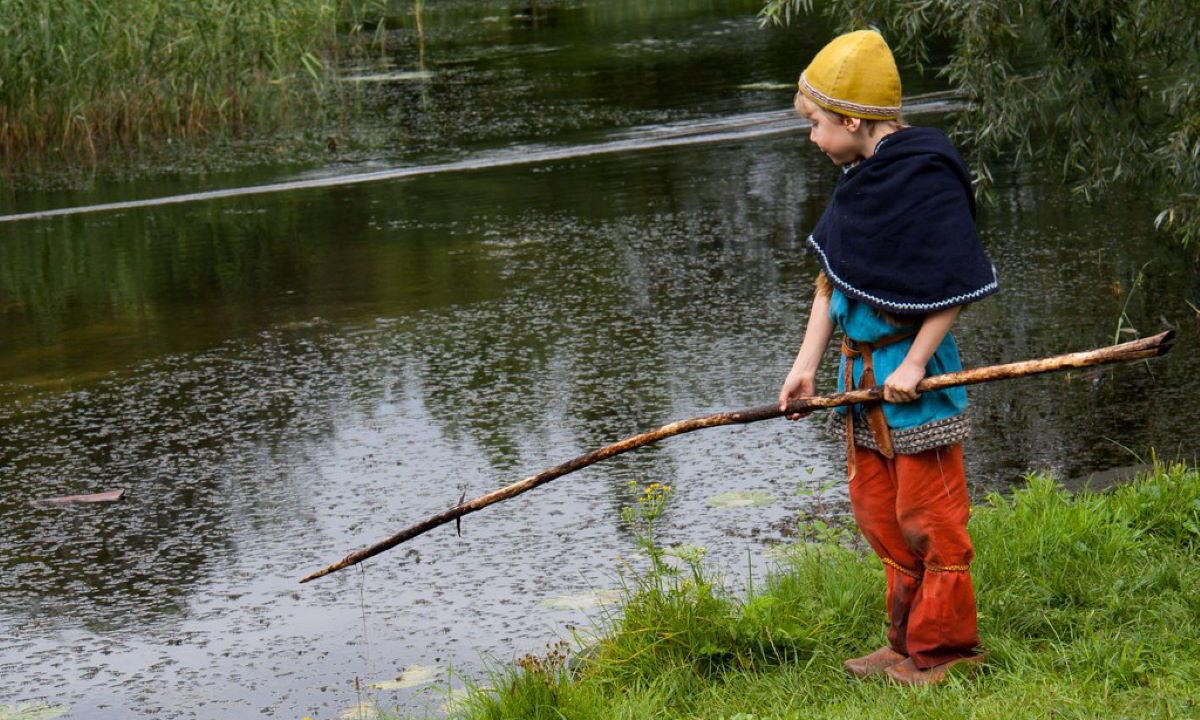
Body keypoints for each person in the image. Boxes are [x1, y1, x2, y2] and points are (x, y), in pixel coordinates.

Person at [777, 29, 999, 686]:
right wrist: (804, 365)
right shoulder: (858, 179)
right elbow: (832, 278)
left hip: (913, 381)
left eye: (817, 124)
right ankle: (905, 644)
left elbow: (954, 281)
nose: (813, 137)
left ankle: (947, 649)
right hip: (857, 380)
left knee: (929, 518)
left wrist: (915, 364)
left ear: (852, 120)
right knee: (879, 515)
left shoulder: (924, 174)